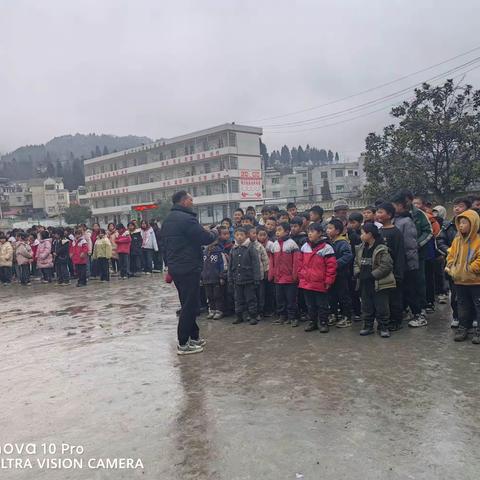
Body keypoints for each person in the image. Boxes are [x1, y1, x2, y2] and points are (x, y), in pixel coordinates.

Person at [161, 191, 217, 355]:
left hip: (176, 267)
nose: (192, 202)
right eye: (191, 199)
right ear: (184, 201)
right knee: (189, 305)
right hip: (188, 266)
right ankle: (183, 343)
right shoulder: (187, 219)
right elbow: (204, 238)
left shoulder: (168, 220)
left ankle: (194, 337)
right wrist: (213, 232)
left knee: (188, 302)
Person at [355, 223, 396, 338]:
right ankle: (368, 326)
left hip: (379, 283)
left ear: (369, 234)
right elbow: (356, 262)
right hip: (364, 283)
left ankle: (383, 327)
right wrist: (358, 272)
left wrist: (372, 275)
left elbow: (386, 266)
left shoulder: (381, 248)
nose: (361, 236)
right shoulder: (361, 248)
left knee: (381, 306)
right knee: (366, 306)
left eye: (363, 233)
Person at [445, 209, 480, 343]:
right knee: (462, 305)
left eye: (464, 223)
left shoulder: (478, 241)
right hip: (459, 281)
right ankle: (463, 328)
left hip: (476, 281)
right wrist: (451, 267)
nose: (461, 226)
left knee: (478, 306)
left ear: (473, 224)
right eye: (459, 223)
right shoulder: (457, 240)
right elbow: (451, 254)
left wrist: (470, 269)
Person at [392, 196, 426, 327]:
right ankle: (406, 312)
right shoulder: (395, 220)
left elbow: (410, 245)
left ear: (402, 206)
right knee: (402, 291)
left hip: (407, 263)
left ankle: (419, 315)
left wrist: (410, 263)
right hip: (397, 263)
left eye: (396, 205)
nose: (394, 207)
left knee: (411, 290)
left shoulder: (406, 221)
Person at [437, 197, 471, 328]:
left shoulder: (475, 225)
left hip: (471, 265)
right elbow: (440, 241)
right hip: (453, 265)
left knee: (472, 294)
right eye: (455, 206)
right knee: (455, 293)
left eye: (460, 206)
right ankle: (457, 316)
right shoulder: (447, 225)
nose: (457, 209)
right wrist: (451, 251)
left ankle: (472, 318)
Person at [299, 223, 337, 333]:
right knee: (310, 304)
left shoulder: (327, 248)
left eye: (313, 231)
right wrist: (301, 275)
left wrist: (329, 280)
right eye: (308, 231)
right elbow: (300, 263)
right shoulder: (304, 247)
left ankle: (323, 322)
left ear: (320, 233)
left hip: (320, 282)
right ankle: (312, 322)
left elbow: (331, 266)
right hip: (306, 282)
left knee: (322, 305)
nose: (309, 233)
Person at [376, 202, 406, 330]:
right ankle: (384, 321)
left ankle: (396, 321)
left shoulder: (396, 232)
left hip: (393, 272)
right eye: (377, 212)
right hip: (381, 271)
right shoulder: (378, 232)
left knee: (395, 298)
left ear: (389, 215)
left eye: (381, 212)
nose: (378, 214)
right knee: (383, 298)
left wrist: (399, 273)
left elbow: (400, 254)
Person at [229, 226, 261, 325]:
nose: (239, 237)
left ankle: (253, 316)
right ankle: (239, 316)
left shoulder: (251, 248)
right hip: (237, 280)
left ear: (246, 236)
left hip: (249, 279)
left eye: (241, 235)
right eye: (237, 235)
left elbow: (256, 264)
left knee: (251, 299)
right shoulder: (233, 249)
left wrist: (256, 278)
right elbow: (230, 265)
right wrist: (230, 278)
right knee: (238, 299)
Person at [269, 222, 300, 326]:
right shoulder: (274, 245)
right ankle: (282, 316)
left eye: (280, 230)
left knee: (291, 299)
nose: (277, 232)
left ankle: (293, 318)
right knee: (280, 299)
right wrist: (272, 274)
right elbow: (271, 262)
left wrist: (295, 275)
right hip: (278, 278)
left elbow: (296, 262)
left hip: (290, 278)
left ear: (287, 231)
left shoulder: (292, 244)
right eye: (276, 230)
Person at [326, 218, 353, 328]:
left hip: (341, 274)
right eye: (327, 228)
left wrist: (334, 264)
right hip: (331, 275)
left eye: (330, 228)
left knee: (343, 296)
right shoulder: (329, 243)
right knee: (331, 296)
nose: (327, 230)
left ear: (337, 231)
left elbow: (348, 256)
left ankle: (347, 317)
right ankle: (333, 314)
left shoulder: (342, 243)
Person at [201, 238, 228, 320]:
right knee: (209, 295)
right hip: (206, 278)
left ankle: (219, 310)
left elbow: (223, 265)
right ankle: (212, 310)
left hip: (216, 278)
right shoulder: (204, 252)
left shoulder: (219, 252)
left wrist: (222, 276)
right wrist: (201, 277)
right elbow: (201, 265)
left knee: (217, 295)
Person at [247, 225, 269, 321]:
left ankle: (260, 312)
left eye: (255, 233)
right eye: (252, 233)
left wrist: (266, 271)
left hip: (259, 276)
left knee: (260, 295)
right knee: (251, 296)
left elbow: (265, 260)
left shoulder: (259, 246)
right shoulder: (244, 246)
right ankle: (252, 313)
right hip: (248, 277)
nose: (254, 235)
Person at [347, 212, 363, 320]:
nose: (351, 224)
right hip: (350, 263)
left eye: (354, 222)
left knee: (357, 289)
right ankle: (355, 309)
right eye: (350, 222)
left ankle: (359, 311)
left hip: (359, 263)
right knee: (352, 289)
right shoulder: (350, 233)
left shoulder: (360, 234)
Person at [257, 226, 276, 317]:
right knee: (261, 292)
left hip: (269, 271)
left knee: (270, 292)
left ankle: (270, 309)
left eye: (264, 235)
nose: (262, 237)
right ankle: (262, 310)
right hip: (260, 272)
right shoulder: (255, 245)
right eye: (260, 235)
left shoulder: (271, 244)